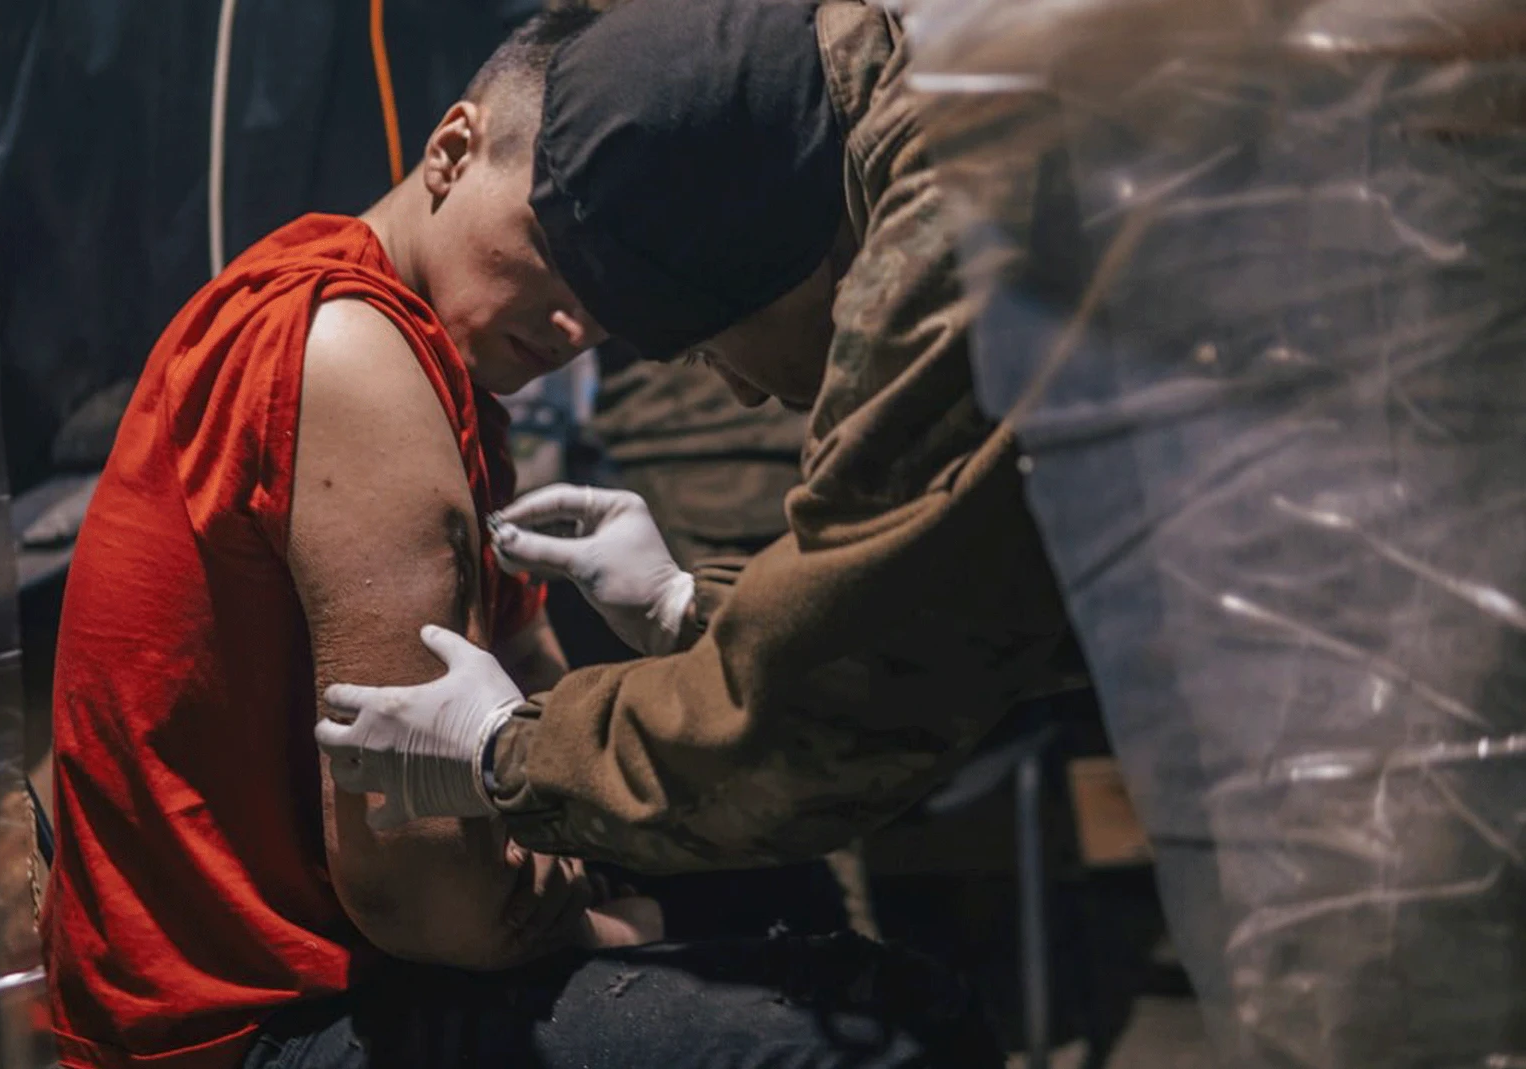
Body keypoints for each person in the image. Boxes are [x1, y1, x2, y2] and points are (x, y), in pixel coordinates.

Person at [46, 11, 1003, 1069]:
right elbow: (424, 890)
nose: (575, 326)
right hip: (246, 1027)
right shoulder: (357, 351)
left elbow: (539, 706)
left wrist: (685, 610)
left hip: (334, 973)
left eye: (609, 292)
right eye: (556, 246)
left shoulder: (444, 377)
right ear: (452, 150)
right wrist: (633, 926)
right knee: (873, 1033)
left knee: (782, 885)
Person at [318, 0, 1074, 873]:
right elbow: (955, 613)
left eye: (710, 348)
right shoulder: (942, 97)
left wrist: (506, 751)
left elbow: (826, 716)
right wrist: (694, 608)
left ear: (762, 263)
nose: (748, 392)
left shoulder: (957, 202)